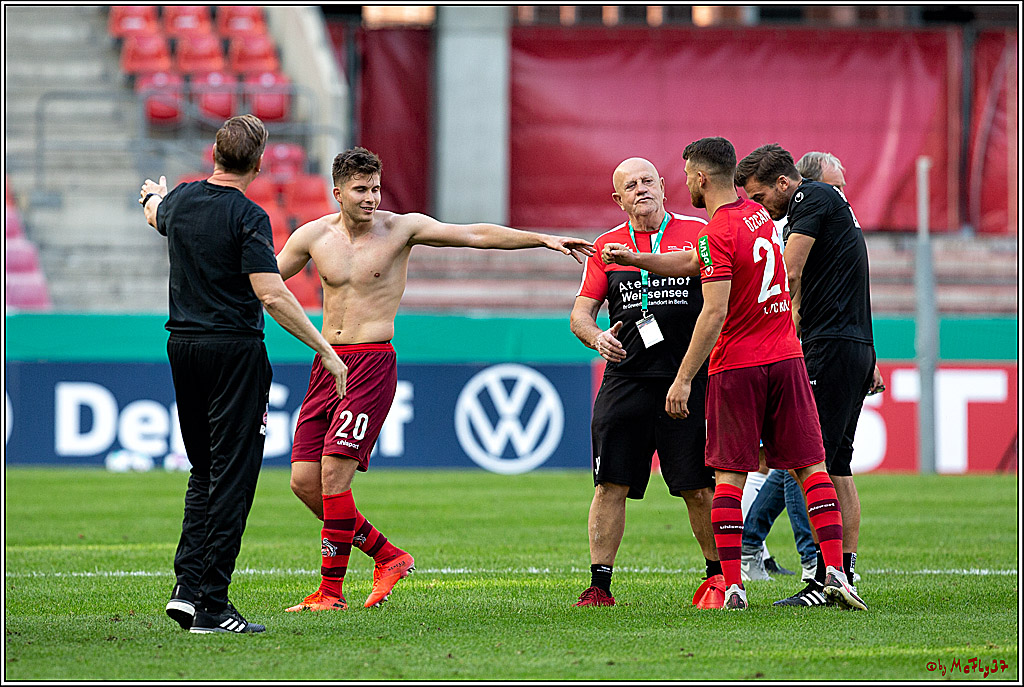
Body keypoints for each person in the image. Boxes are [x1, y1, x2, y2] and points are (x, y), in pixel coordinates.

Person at [276, 147, 595, 612]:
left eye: (376, 188)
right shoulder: (312, 236)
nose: (371, 198)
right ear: (338, 192)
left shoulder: (400, 229)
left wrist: (542, 239)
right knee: (303, 482)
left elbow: (474, 234)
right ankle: (388, 556)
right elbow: (265, 278)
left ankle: (330, 593)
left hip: (370, 365)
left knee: (331, 476)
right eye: (361, 190)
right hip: (326, 362)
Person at [604, 136, 864, 611]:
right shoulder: (759, 215)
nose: (684, 183)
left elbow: (713, 309)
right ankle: (836, 576)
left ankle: (733, 587)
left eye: (685, 175)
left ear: (701, 178)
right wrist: (635, 257)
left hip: (739, 364)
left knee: (728, 477)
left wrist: (683, 378)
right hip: (786, 356)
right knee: (812, 467)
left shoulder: (715, 230)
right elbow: (693, 260)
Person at [139, 114, 348, 634]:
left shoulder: (181, 201)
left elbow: (155, 214)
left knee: (204, 471)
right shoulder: (248, 215)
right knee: (233, 476)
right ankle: (212, 604)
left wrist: (152, 197)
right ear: (258, 163)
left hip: (182, 347)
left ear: (214, 152)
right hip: (233, 352)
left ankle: (187, 590)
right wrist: (324, 347)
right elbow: (272, 292)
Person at [567, 157, 720, 608]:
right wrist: (596, 338)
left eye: (647, 181)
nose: (641, 190)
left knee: (697, 485)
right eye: (630, 186)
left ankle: (717, 578)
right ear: (618, 199)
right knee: (609, 483)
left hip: (687, 377)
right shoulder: (607, 245)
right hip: (626, 378)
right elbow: (580, 314)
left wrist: (689, 376)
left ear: (664, 187)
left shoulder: (697, 233)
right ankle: (599, 585)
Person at [735, 143, 877, 608]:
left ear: (783, 183)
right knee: (835, 464)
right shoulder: (829, 205)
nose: (758, 207)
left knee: (805, 460)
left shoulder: (811, 199)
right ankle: (844, 572)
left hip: (830, 346)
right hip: (852, 344)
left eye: (759, 196)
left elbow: (788, 272)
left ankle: (823, 574)